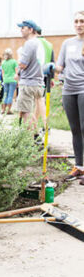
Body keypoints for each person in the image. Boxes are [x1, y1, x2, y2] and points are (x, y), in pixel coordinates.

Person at [56, 11, 84, 182]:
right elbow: (60, 65)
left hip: (83, 88)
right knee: (74, 130)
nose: (79, 24)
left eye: (82, 21)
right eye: (76, 21)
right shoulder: (67, 43)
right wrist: (53, 68)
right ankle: (79, 166)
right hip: (68, 89)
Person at [16, 20, 45, 135]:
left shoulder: (29, 43)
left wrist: (18, 61)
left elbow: (23, 64)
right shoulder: (39, 43)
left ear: (31, 29)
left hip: (28, 83)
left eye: (23, 28)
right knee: (30, 111)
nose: (21, 30)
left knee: (25, 113)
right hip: (38, 82)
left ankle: (33, 139)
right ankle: (36, 135)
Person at [1, 48, 18, 114]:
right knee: (10, 95)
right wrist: (17, 81)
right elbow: (16, 72)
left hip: (5, 80)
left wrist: (4, 79)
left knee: (5, 95)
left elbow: (2, 73)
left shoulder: (3, 62)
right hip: (12, 80)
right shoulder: (14, 61)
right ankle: (8, 110)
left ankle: (3, 109)